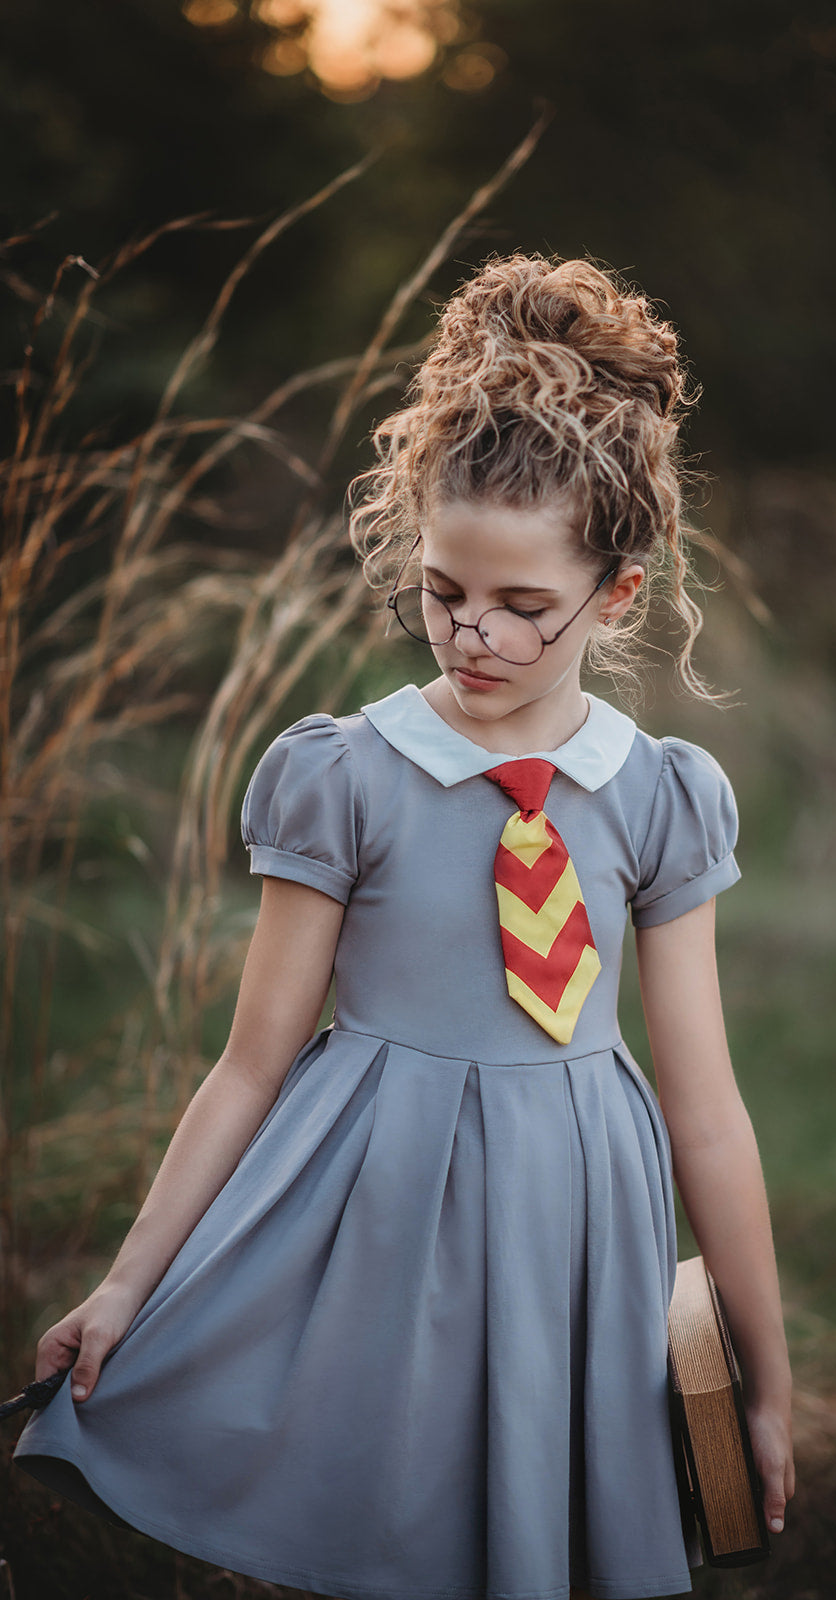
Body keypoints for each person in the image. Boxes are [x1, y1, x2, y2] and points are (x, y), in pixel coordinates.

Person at [15, 253, 795, 1600]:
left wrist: (767, 1389)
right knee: (398, 1534)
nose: (471, 634)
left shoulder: (661, 797)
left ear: (615, 594)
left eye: (522, 607)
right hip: (377, 1215)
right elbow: (252, 1062)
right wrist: (126, 1288)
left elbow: (709, 1110)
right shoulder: (342, 776)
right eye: (443, 591)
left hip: (582, 1222)